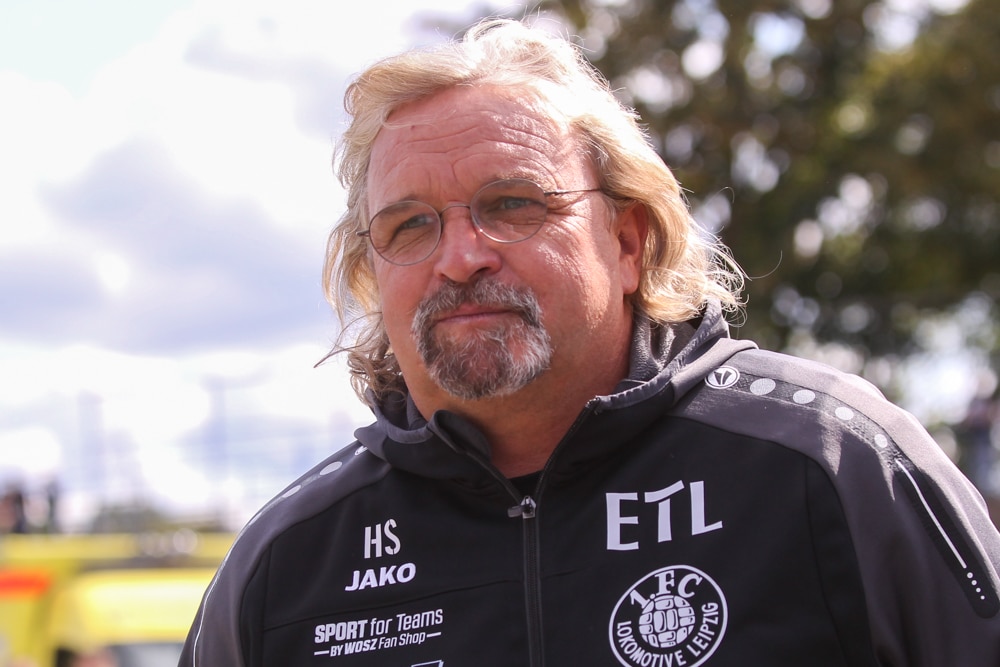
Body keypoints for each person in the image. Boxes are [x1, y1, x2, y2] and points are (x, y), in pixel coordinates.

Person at [180, 18, 1000, 667]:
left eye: (512, 204)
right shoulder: (284, 567)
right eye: (411, 226)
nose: (460, 257)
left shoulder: (835, 466)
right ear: (371, 272)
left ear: (628, 240)